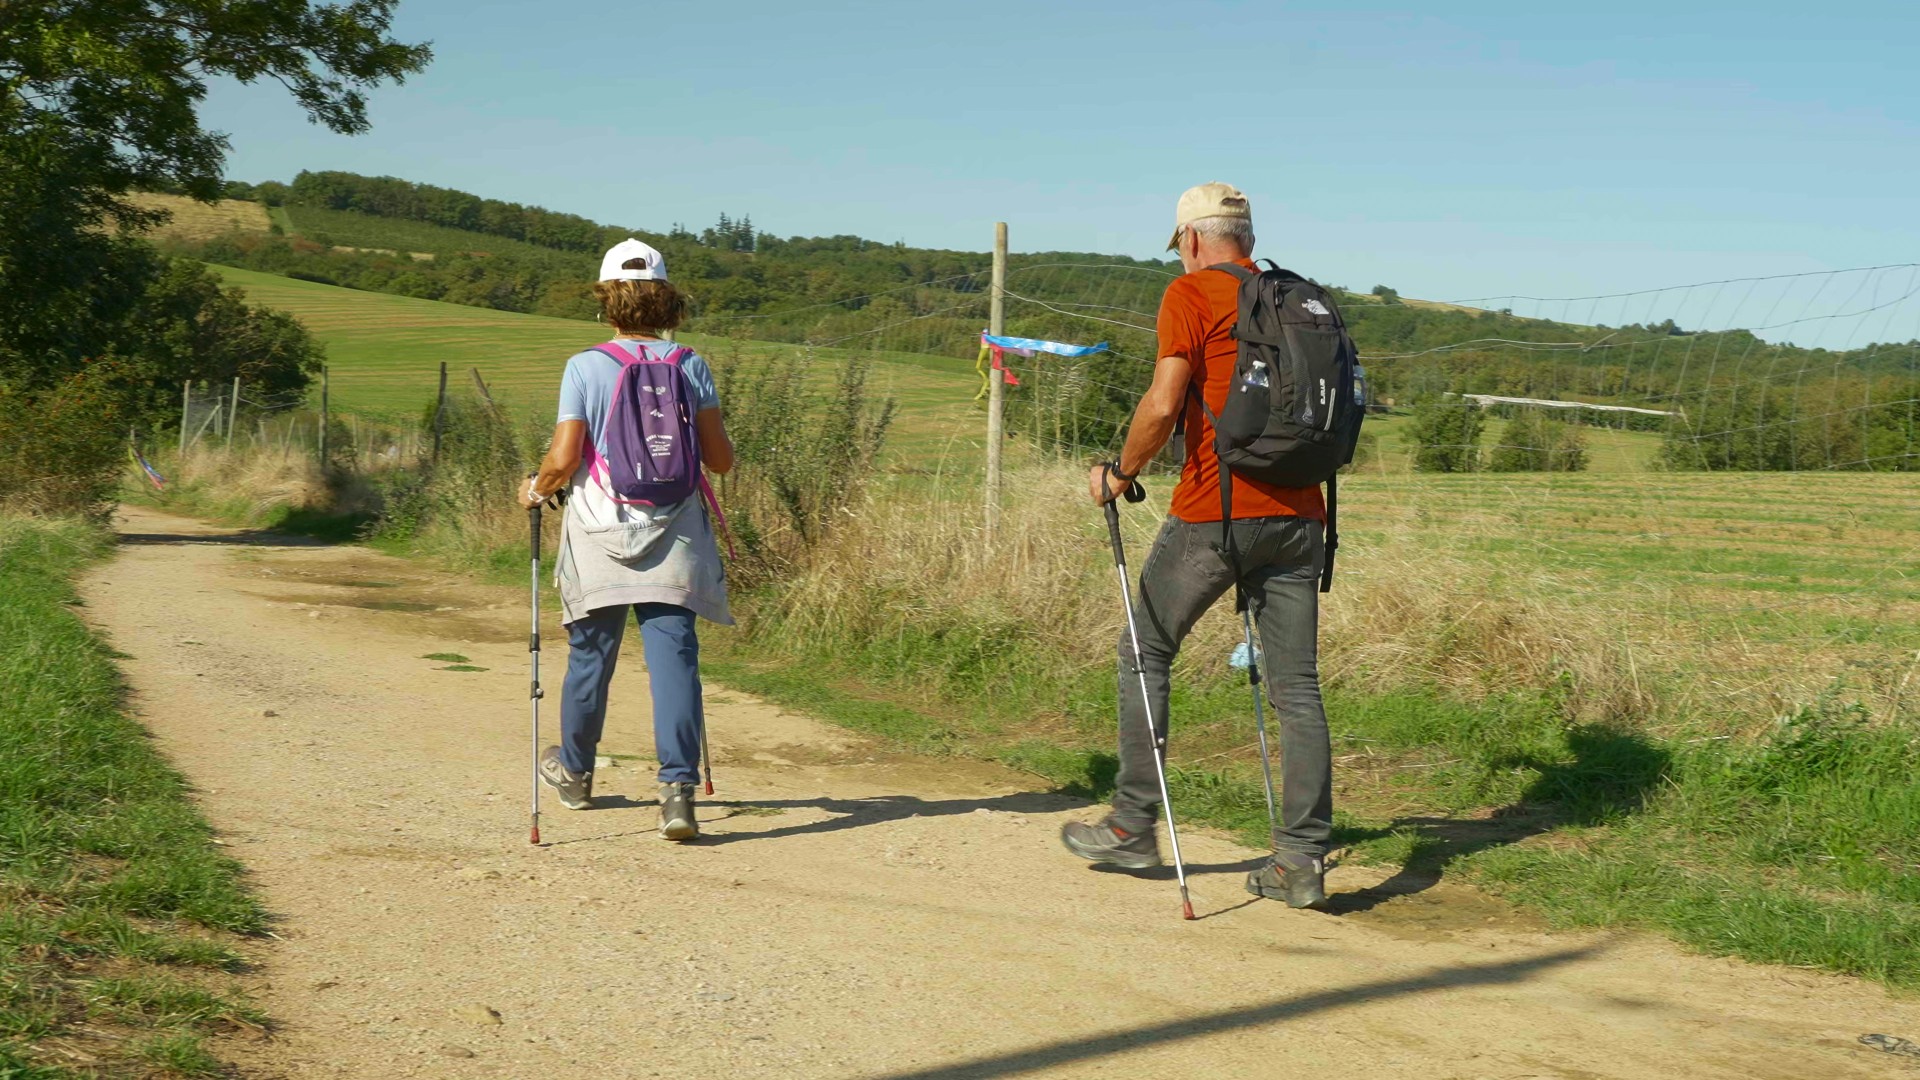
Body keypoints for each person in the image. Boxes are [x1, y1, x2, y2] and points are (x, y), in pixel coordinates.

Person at [1059, 183, 1335, 909]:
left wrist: (1119, 474)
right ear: (1246, 236)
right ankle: (1301, 861)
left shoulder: (1190, 295)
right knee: (1296, 688)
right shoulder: (1298, 298)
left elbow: (1161, 402)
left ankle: (1131, 824)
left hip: (1217, 511)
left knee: (1143, 650)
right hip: (1304, 517)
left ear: (1189, 240)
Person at [519, 238, 734, 842]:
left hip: (597, 531)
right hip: (677, 532)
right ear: (667, 299)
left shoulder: (585, 365)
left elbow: (563, 460)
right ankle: (678, 794)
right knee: (675, 657)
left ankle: (576, 775)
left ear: (607, 300)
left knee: (592, 655)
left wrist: (536, 488)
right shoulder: (691, 364)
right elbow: (719, 461)